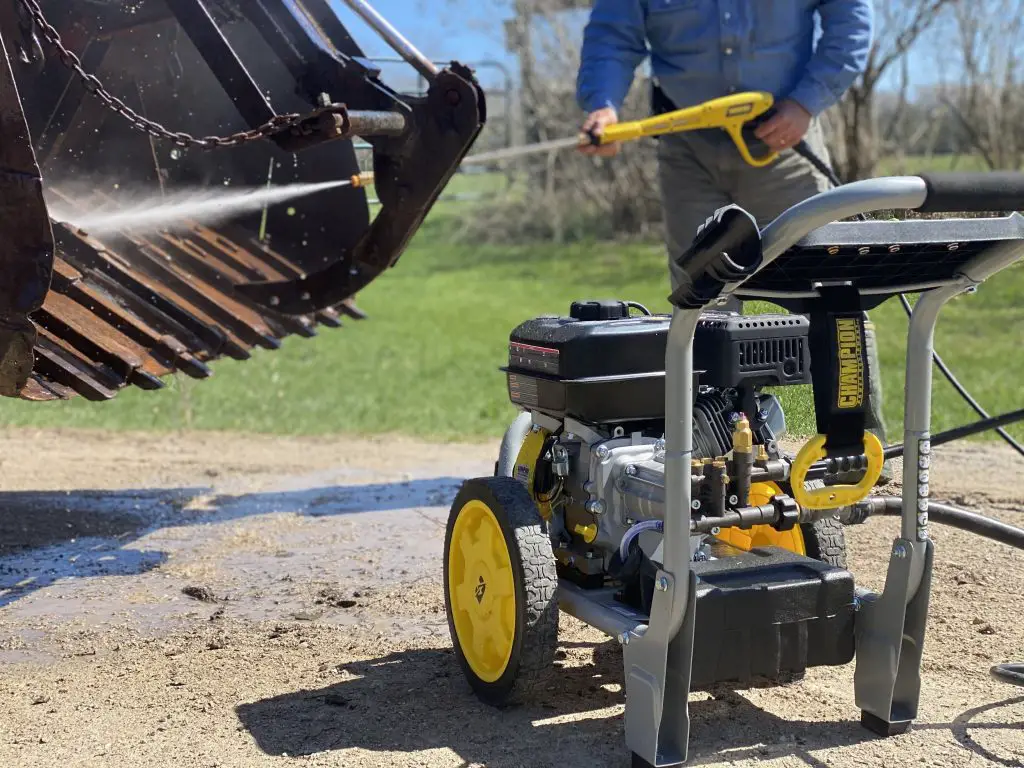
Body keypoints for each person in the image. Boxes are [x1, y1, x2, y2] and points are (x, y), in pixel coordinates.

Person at [574, 0, 891, 483]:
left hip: (785, 141)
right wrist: (602, 103)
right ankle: (718, 460)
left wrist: (808, 100)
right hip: (686, 151)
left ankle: (856, 451)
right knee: (703, 304)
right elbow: (612, 36)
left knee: (834, 296)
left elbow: (850, 18)